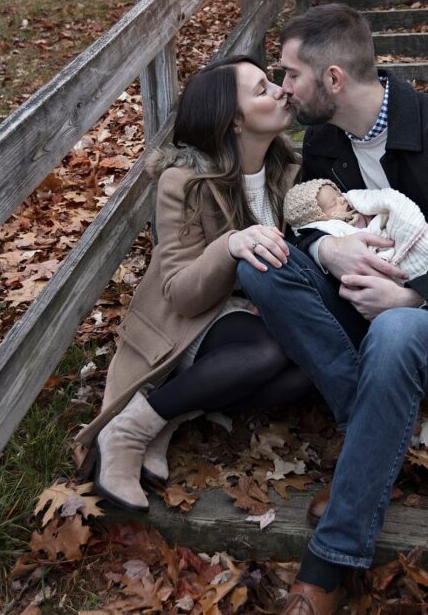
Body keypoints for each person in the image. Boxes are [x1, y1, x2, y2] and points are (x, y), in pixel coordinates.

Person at [236, 5, 428, 614]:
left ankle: (326, 567)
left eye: (290, 73)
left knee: (399, 331)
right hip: (359, 311)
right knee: (260, 266)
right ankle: (369, 438)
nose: (283, 87)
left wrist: (414, 296)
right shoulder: (324, 141)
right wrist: (327, 247)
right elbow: (311, 225)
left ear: (332, 80)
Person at [74, 55, 313, 513]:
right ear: (234, 122)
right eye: (263, 89)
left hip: (256, 316)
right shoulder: (184, 183)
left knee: (305, 369)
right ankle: (126, 431)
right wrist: (229, 246)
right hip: (189, 322)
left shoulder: (291, 171)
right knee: (271, 349)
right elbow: (183, 294)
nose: (282, 90)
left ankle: (172, 413)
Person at [283, 179, 428, 279]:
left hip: (394, 231)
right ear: (319, 218)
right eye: (333, 203)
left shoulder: (355, 204)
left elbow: (382, 202)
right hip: (381, 255)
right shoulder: (332, 227)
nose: (343, 200)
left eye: (338, 195)